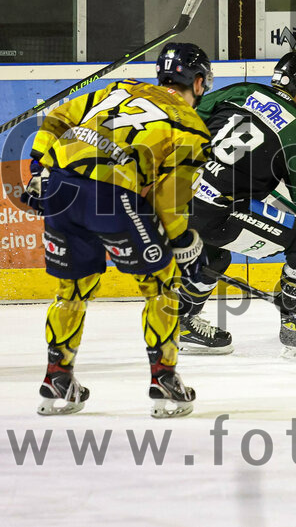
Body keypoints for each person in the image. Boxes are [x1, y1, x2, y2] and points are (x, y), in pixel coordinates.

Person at [24, 42, 212, 418]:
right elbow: (168, 201)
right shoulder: (192, 127)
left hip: (59, 186)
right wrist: (181, 243)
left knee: (72, 288)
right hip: (111, 195)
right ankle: (164, 377)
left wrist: (37, 168)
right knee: (162, 284)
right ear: (199, 82)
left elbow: (57, 118)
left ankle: (57, 376)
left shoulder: (120, 88)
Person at [178, 52, 296, 361]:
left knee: (213, 251)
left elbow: (186, 118)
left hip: (172, 199)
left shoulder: (241, 91)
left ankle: (180, 321)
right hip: (217, 212)